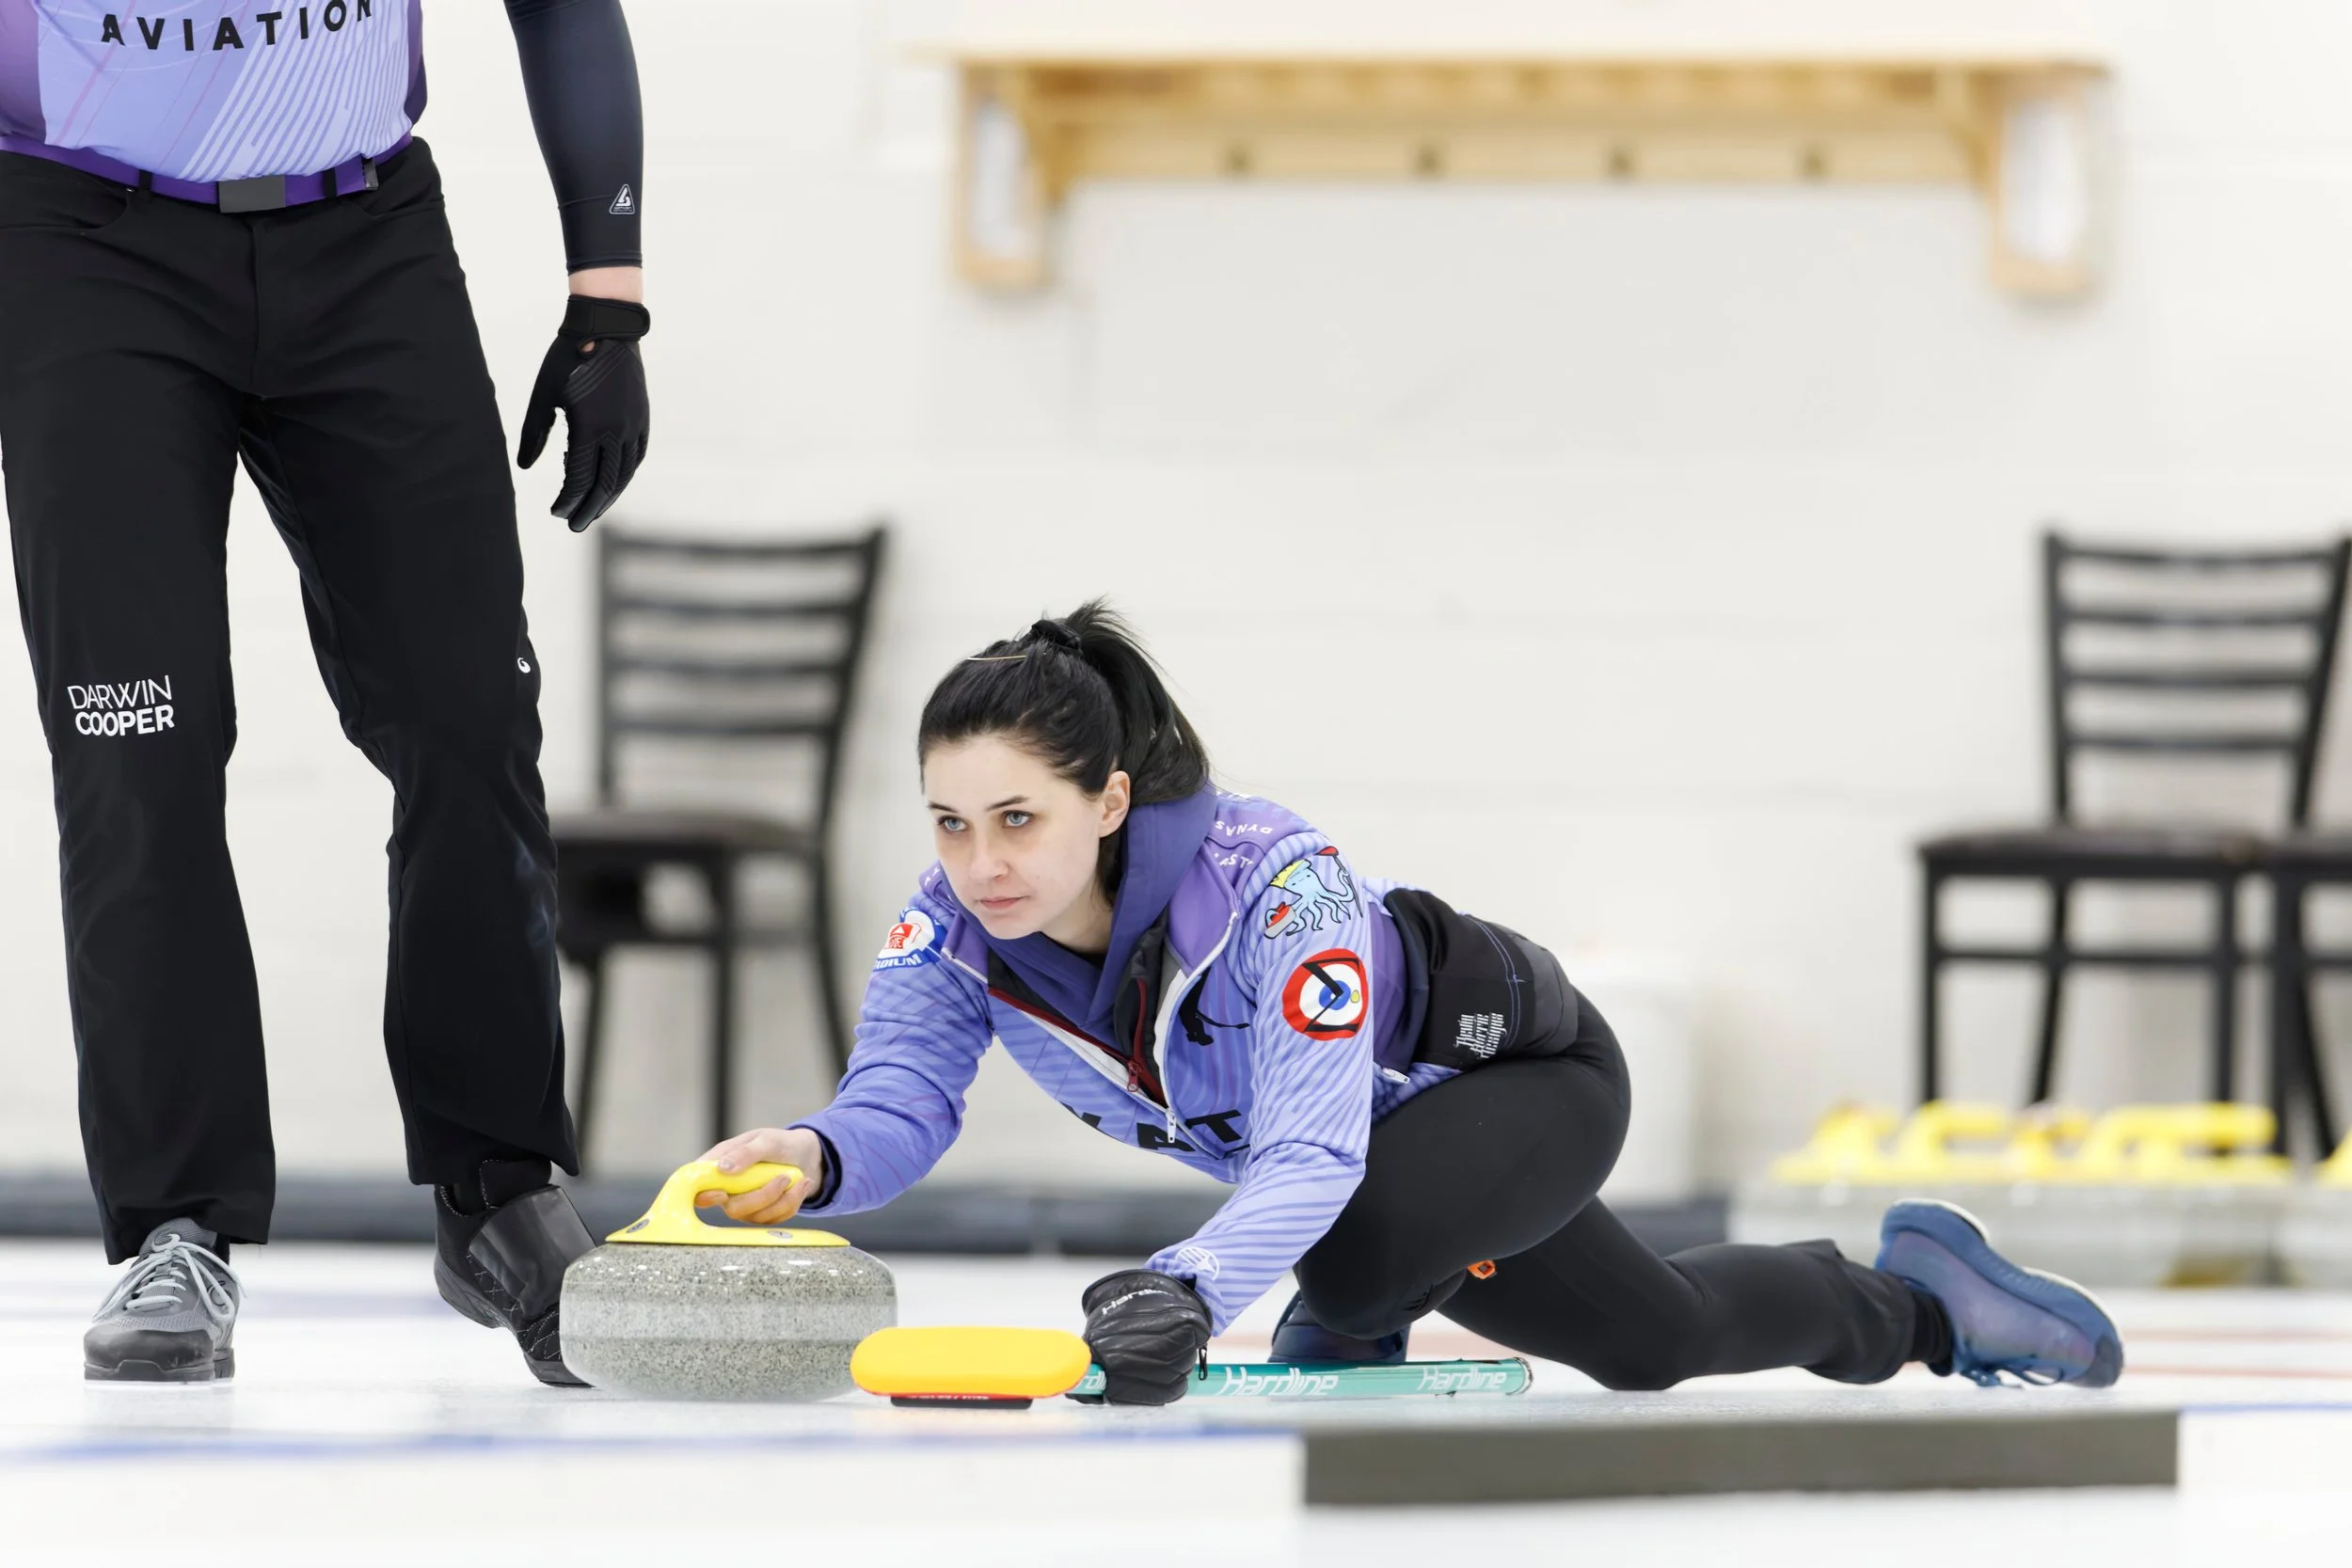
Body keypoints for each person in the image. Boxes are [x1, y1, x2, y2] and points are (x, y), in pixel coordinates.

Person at [699, 603, 2124, 1404]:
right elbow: (900, 1097)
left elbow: (1315, 1159)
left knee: (1362, 1245)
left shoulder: (1277, 893)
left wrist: (1188, 1291)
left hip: (1535, 1087)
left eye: (1016, 818)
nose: (980, 861)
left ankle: (1355, 1325)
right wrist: (812, 1158)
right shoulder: (954, 925)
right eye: (949, 820)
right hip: (1398, 1173)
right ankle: (1921, 1302)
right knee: (1655, 1341)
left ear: (1111, 798)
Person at [0, 0, 653, 1384]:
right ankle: (176, 1225)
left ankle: (498, 1189)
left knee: (471, 714)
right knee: (139, 748)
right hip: (81, 246)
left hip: (367, 244)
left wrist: (609, 294)